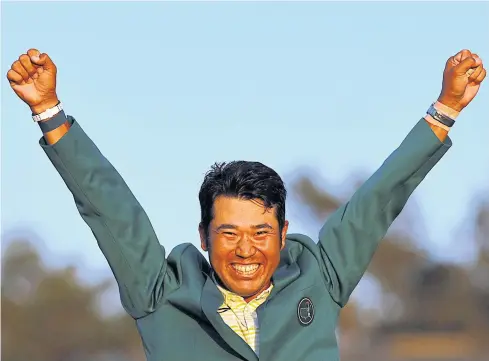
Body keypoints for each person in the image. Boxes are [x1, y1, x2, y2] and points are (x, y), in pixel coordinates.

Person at [6, 48, 485, 361]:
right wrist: (49, 112)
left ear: (282, 231)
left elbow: (377, 200)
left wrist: (444, 110)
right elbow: (110, 207)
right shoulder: (160, 294)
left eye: (260, 233)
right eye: (228, 233)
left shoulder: (319, 277)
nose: (245, 250)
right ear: (203, 237)